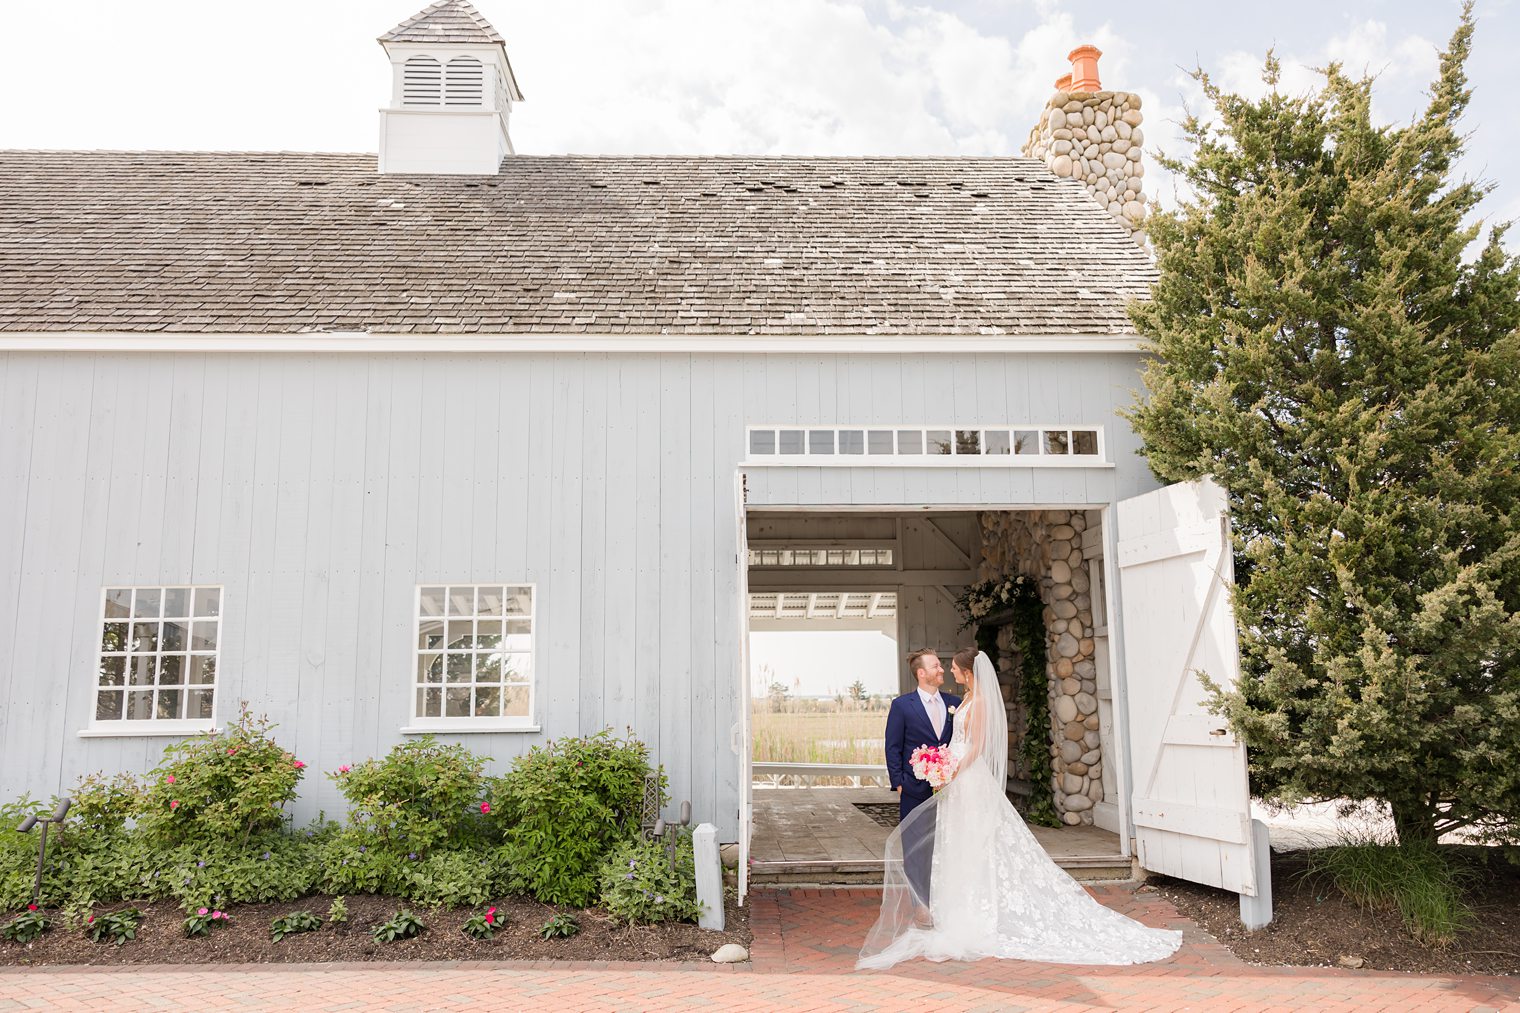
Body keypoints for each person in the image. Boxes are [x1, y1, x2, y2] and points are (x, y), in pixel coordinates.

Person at [858, 648, 1182, 969]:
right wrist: (930, 772)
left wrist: (951, 773)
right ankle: (954, 913)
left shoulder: (972, 703)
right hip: (951, 783)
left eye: (953, 668)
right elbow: (912, 744)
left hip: (966, 782)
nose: (948, 672)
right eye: (943, 668)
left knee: (975, 845)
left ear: (968, 672)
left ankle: (976, 917)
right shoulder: (960, 701)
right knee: (955, 846)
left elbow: (978, 745)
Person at [882, 648, 961, 914]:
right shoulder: (902, 706)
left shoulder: (955, 703)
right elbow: (893, 746)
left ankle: (945, 902)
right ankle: (920, 905)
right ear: (921, 673)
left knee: (945, 846)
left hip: (950, 789)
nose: (942, 669)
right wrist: (899, 781)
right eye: (936, 666)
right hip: (914, 790)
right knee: (916, 850)